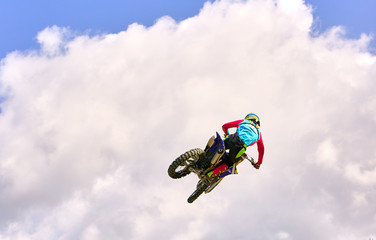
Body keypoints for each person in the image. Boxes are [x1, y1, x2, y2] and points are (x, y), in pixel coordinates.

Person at [208, 113, 265, 177]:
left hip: (232, 138)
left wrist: (227, 134)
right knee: (230, 163)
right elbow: (261, 149)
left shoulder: (245, 122)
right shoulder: (258, 134)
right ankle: (210, 175)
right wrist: (259, 163)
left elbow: (225, 126)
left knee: (217, 145)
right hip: (240, 148)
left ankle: (203, 155)